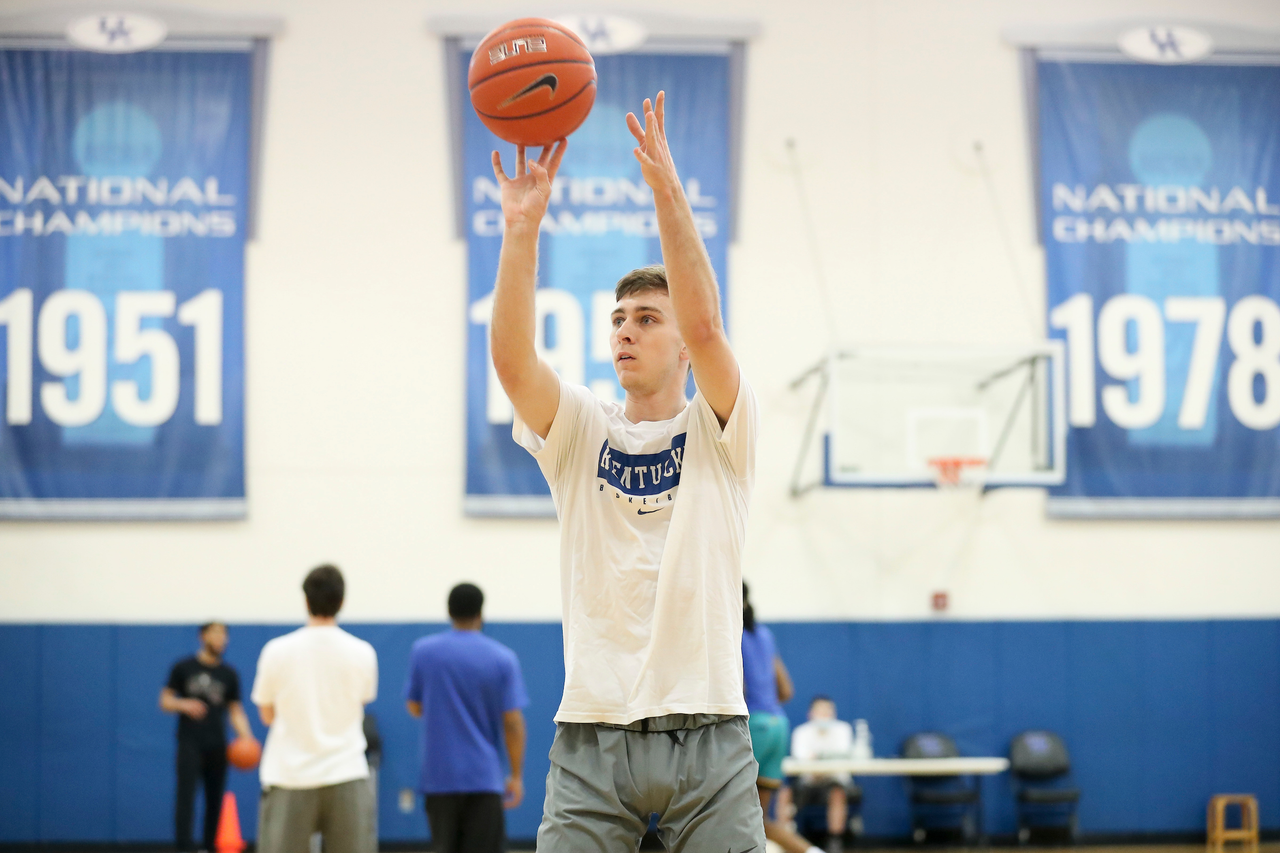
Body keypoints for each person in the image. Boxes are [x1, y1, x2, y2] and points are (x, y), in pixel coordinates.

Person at [490, 90, 765, 851]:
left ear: (681, 346)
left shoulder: (721, 428)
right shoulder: (581, 426)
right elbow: (514, 365)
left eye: (647, 318)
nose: (625, 331)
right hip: (592, 731)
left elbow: (708, 324)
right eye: (618, 319)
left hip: (708, 726)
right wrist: (521, 230)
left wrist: (666, 190)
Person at [251, 565, 378, 853]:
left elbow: (266, 714)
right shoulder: (363, 652)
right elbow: (361, 702)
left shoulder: (276, 650)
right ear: (342, 602)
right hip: (346, 773)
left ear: (305, 600)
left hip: (289, 776)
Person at [404, 582, 529, 853]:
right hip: (483, 777)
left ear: (449, 612)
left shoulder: (423, 652)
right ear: (480, 613)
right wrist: (516, 775)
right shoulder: (503, 658)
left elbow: (414, 708)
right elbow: (513, 723)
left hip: (438, 777)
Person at [741, 583, 827, 853]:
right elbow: (787, 690)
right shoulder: (765, 635)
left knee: (726, 815)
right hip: (778, 724)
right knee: (761, 820)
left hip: (752, 725)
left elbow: (737, 687)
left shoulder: (727, 633)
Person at [161, 622, 256, 853]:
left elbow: (235, 710)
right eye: (215, 633)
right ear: (202, 636)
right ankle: (183, 847)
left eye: (224, 634)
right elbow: (165, 700)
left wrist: (247, 737)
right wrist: (183, 703)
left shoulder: (229, 674)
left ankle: (209, 847)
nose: (220, 638)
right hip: (189, 742)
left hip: (218, 744)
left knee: (215, 800)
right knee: (186, 798)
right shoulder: (183, 667)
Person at [790, 697, 858, 850]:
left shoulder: (843, 730)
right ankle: (787, 838)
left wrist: (818, 764)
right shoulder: (801, 732)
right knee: (784, 791)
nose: (825, 714)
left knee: (837, 792)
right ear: (811, 713)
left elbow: (843, 757)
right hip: (808, 783)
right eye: (820, 710)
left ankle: (835, 840)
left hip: (834, 781)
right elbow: (799, 759)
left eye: (828, 710)